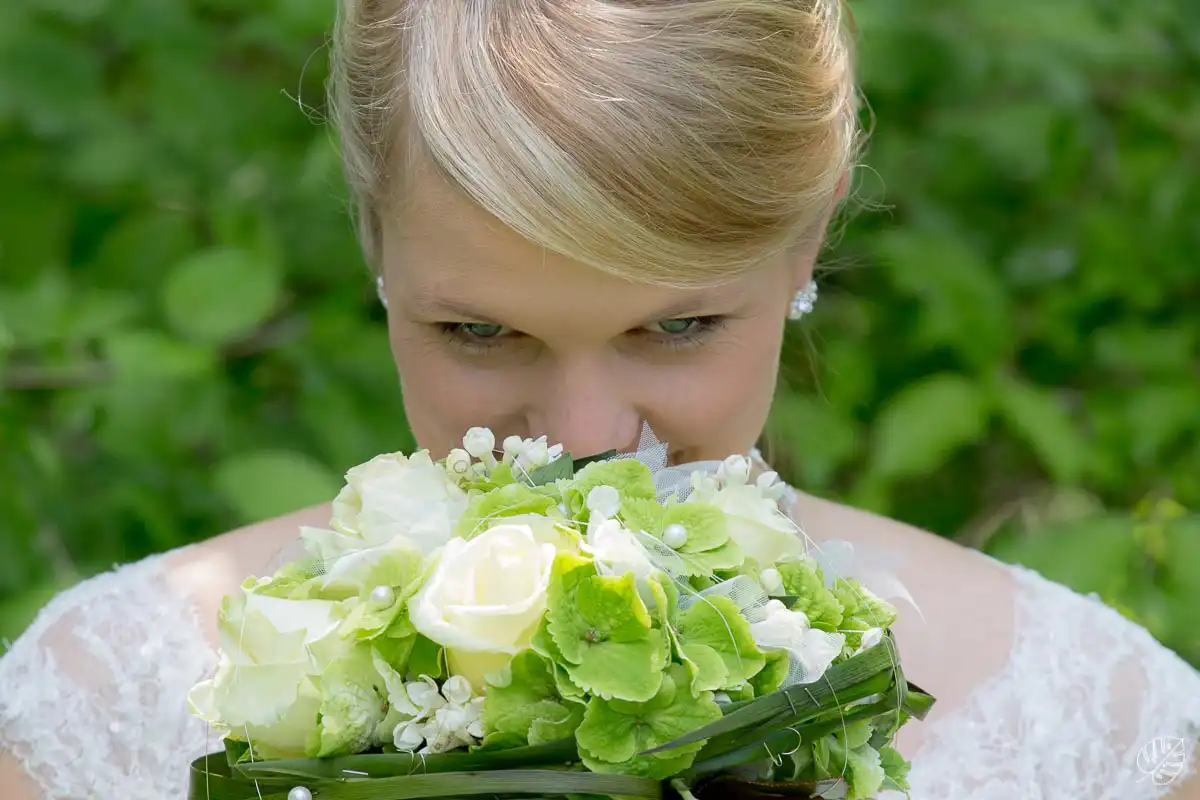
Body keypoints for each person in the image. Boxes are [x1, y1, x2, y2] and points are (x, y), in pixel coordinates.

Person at [2, 1, 1198, 798]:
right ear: (372, 234)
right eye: (478, 330)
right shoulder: (103, 711)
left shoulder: (1106, 731)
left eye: (676, 326)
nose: (580, 439)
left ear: (812, 232)